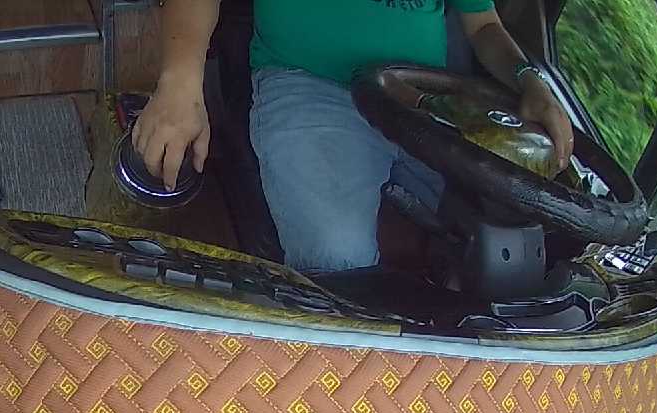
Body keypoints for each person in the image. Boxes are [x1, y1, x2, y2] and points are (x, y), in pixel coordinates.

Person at [133, 0, 575, 273]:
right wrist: (179, 84)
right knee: (337, 257)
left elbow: (483, 25)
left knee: (507, 239)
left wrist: (530, 82)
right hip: (311, 85)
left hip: (428, 102)